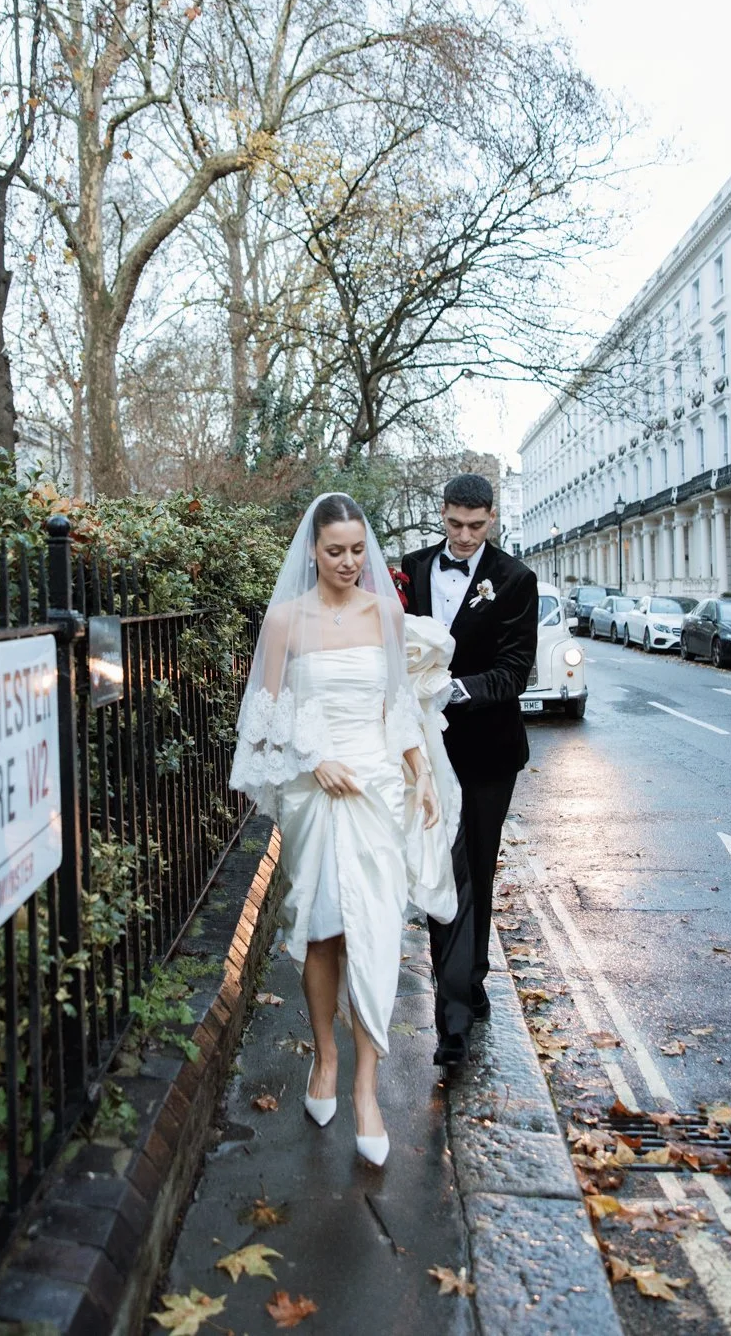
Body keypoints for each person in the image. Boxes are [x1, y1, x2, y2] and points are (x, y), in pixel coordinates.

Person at [230, 493, 456, 1168]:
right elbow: (264, 719)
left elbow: (399, 705)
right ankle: (325, 1058)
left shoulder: (385, 611)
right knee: (326, 930)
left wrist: (420, 774)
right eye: (336, 551)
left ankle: (367, 1087)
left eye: (359, 550)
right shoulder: (284, 621)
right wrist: (313, 760)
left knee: (378, 934)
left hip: (380, 787)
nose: (350, 563)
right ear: (313, 551)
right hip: (317, 794)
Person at [401, 474, 537, 1071]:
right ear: (442, 514)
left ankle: (471, 978)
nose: (462, 537)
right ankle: (454, 1003)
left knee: (476, 865)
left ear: (492, 519)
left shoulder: (515, 580)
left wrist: (454, 688)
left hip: (487, 752)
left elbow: (514, 672)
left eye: (475, 527)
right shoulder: (409, 567)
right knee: (439, 864)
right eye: (454, 524)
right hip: (425, 752)